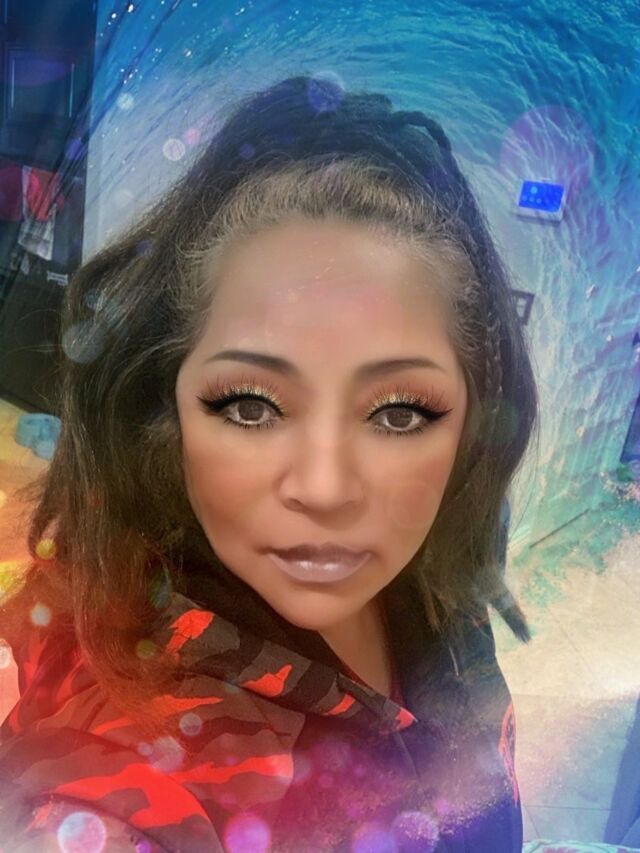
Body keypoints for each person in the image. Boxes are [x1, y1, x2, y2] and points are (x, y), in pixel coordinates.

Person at [0, 75, 538, 852]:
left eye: (399, 412)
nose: (324, 488)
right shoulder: (113, 789)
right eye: (251, 405)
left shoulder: (433, 578)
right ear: (163, 407)